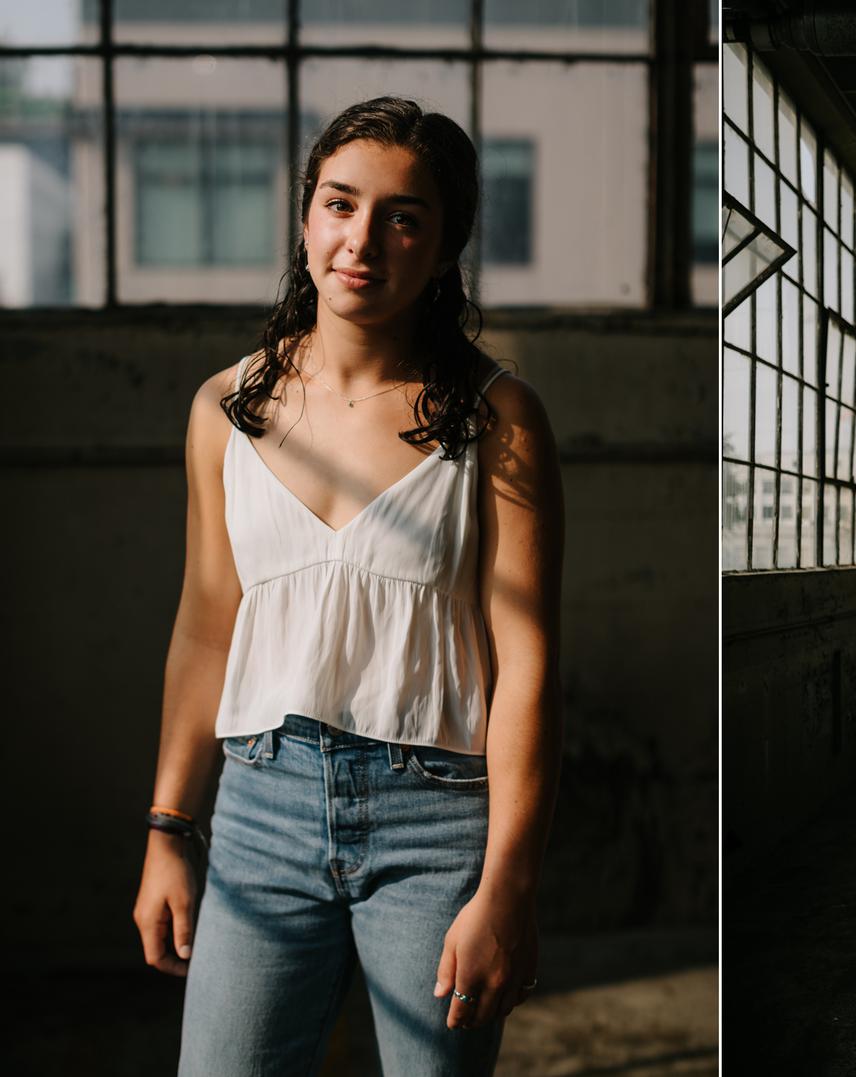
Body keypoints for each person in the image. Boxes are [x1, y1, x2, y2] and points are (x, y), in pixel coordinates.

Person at [131, 96, 565, 1074]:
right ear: (306, 216)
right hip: (259, 809)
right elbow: (207, 630)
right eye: (340, 203)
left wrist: (510, 887)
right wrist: (169, 829)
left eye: (404, 216)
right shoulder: (226, 409)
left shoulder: (501, 420)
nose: (362, 239)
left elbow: (528, 666)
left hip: (438, 820)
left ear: (445, 247)